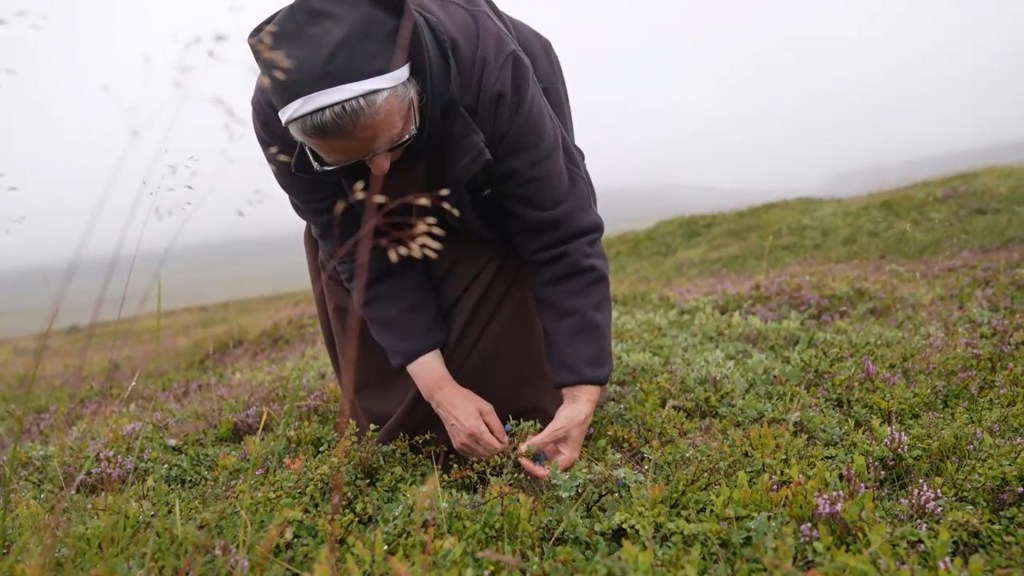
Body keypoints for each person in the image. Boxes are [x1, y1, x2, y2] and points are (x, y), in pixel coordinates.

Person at [247, 0, 612, 478]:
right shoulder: (276, 116)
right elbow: (358, 251)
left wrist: (582, 395)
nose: (379, 170)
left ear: (413, 88)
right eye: (348, 159)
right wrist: (439, 389)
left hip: (487, 149)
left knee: (522, 400)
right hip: (367, 211)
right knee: (403, 424)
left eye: (391, 143)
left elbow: (560, 233)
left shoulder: (492, 70)